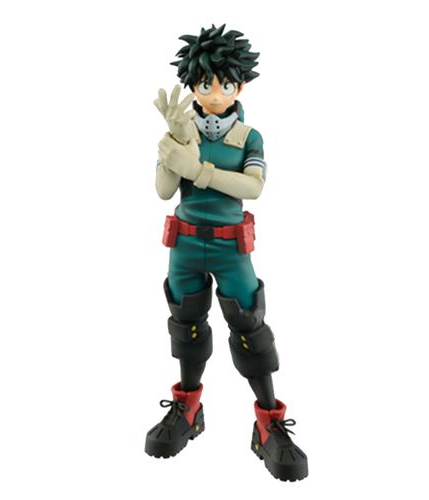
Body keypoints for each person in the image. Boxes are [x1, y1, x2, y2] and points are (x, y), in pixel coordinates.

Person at [144, 24, 308, 481]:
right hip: (184, 243)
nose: (215, 94)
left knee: (249, 325)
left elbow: (253, 187)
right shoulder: (181, 132)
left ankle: (269, 420)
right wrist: (175, 144)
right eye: (205, 85)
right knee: (186, 323)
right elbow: (163, 190)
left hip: (231, 246)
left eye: (225, 85)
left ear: (240, 86)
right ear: (192, 86)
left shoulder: (248, 137)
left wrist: (200, 170)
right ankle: (188, 406)